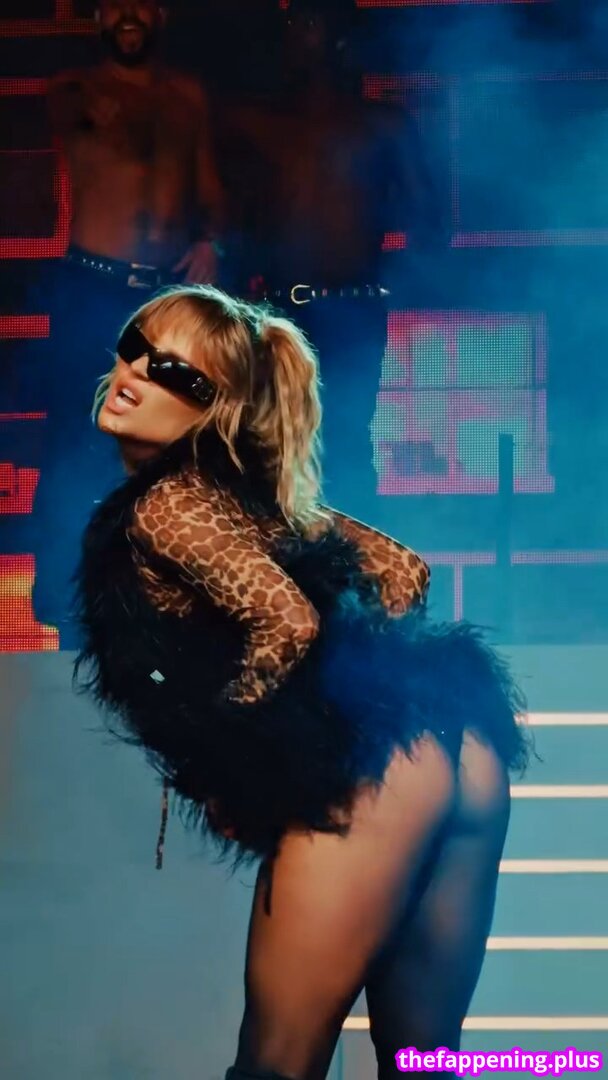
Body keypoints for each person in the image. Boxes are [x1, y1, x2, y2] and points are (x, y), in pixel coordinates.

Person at [72, 285, 531, 1080]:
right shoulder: (260, 505)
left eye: (175, 373)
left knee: (277, 1064)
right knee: (425, 1062)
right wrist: (371, 692)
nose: (136, 373)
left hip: (379, 772)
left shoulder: (167, 504)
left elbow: (287, 624)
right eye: (135, 346)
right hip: (464, 754)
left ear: (218, 410)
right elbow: (405, 573)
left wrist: (236, 754)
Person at [28, 0, 225, 647]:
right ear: (97, 18)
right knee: (77, 442)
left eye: (140, 3)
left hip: (162, 293)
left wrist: (210, 241)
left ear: (161, 14)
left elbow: (207, 187)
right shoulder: (76, 91)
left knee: (167, 448)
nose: (128, 16)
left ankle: (155, 603)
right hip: (91, 286)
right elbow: (74, 121)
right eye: (115, 5)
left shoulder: (186, 95)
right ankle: (66, 610)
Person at [219, 0, 440, 517]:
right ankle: (280, 563)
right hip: (276, 312)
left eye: (312, 21)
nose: (301, 33)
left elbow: (428, 221)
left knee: (347, 444)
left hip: (351, 305)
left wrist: (396, 276)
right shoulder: (257, 122)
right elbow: (225, 216)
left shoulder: (380, 124)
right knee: (269, 445)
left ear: (339, 33)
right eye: (293, 22)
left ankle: (354, 562)